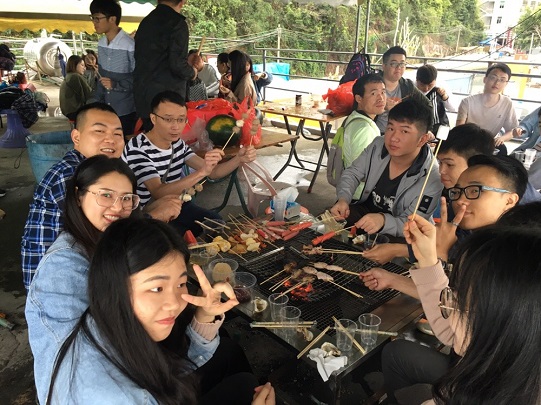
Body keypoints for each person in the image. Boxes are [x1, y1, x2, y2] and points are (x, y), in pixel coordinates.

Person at [21, 103, 181, 290]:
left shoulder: (99, 171)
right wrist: (152, 215)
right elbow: (111, 234)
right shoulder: (69, 175)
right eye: (99, 131)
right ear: (76, 137)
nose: (110, 140)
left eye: (117, 134)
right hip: (55, 286)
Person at [25, 156, 141, 403]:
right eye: (106, 195)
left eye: (126, 198)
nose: (118, 207)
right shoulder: (64, 267)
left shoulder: (107, 244)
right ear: (78, 196)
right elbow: (76, 362)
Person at [403, 214, 541, 405]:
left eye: (459, 304)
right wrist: (427, 259)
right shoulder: (516, 367)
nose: (447, 309)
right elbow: (455, 331)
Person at [123, 90, 257, 236]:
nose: (175, 126)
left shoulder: (177, 144)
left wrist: (238, 159)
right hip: (146, 214)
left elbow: (213, 172)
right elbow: (158, 192)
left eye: (181, 120)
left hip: (175, 204)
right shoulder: (138, 148)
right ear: (153, 119)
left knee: (215, 223)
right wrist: (202, 172)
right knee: (175, 238)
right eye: (168, 119)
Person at [361, 124, 495, 264]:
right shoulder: (453, 195)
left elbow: (457, 249)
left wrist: (396, 250)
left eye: (449, 164)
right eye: (440, 162)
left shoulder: (484, 205)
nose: (441, 171)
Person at [331, 98, 442, 237]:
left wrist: (384, 221)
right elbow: (353, 173)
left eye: (404, 131)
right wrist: (343, 198)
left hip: (402, 230)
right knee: (333, 219)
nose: (393, 138)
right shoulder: (378, 146)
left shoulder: (432, 176)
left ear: (422, 139)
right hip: (367, 213)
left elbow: (414, 223)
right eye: (390, 128)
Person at [134, 0, 196, 131]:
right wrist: (193, 72)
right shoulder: (177, 23)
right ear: (183, 2)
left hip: (143, 95)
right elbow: (177, 64)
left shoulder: (146, 22)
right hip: (167, 100)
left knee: (151, 137)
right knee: (167, 139)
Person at [90, 0, 137, 136]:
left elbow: (139, 78)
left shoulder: (130, 45)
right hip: (105, 109)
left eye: (97, 18)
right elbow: (101, 78)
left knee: (122, 143)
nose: (94, 22)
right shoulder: (101, 43)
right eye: (92, 18)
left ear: (112, 19)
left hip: (125, 110)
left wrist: (116, 85)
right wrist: (95, 103)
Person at [341, 73, 386, 200]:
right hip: (361, 196)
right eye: (373, 94)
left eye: (383, 92)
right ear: (359, 98)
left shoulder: (354, 117)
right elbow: (363, 172)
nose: (381, 98)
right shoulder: (364, 129)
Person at [456, 62, 517, 155]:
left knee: (502, 150)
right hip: (468, 142)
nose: (497, 83)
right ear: (485, 79)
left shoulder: (507, 103)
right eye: (493, 78)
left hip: (489, 143)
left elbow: (512, 131)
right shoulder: (467, 102)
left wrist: (502, 138)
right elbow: (459, 129)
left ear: (506, 84)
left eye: (502, 80)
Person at [375, 46, 428, 134]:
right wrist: (382, 107)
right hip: (376, 134)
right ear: (384, 66)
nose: (398, 67)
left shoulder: (408, 86)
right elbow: (360, 110)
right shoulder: (372, 84)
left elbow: (427, 105)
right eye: (394, 64)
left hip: (401, 136)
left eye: (402, 64)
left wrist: (426, 129)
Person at [415, 64, 456, 134]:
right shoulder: (411, 88)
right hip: (419, 127)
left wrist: (445, 96)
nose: (426, 89)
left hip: (440, 126)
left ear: (435, 80)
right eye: (422, 85)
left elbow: (453, 109)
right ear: (416, 80)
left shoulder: (441, 87)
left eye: (430, 85)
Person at [59, 55, 92, 121]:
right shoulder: (75, 76)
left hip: (67, 111)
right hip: (74, 111)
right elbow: (89, 94)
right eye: (82, 65)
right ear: (74, 65)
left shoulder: (69, 76)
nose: (84, 68)